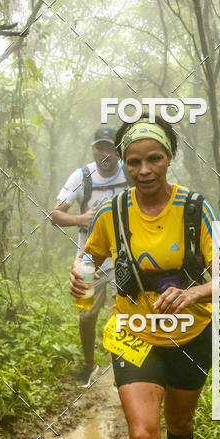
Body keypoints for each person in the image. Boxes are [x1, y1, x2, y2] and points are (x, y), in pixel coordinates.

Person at [69, 114, 219, 439]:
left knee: (180, 424)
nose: (144, 169)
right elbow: (89, 257)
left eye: (154, 158)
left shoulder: (195, 209)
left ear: (169, 158)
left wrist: (195, 294)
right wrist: (80, 275)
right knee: (141, 436)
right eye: (134, 161)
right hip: (133, 333)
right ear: (124, 164)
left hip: (190, 335)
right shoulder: (111, 214)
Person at [51, 126, 129, 388]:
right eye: (101, 148)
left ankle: (124, 366)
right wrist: (80, 219)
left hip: (125, 258)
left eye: (110, 148)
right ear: (94, 149)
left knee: (126, 312)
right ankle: (89, 364)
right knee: (86, 315)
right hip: (88, 258)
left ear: (117, 150)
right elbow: (56, 215)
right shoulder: (82, 176)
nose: (105, 153)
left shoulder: (130, 173)